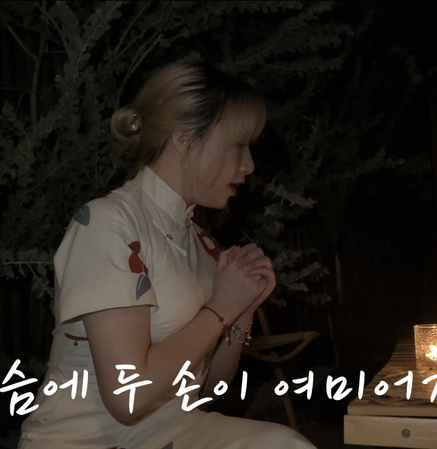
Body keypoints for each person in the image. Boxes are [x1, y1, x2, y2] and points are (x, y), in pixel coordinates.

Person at [18, 58, 316, 449]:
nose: (249, 165)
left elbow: (206, 393)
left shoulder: (202, 244)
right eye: (238, 145)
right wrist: (221, 308)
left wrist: (242, 310)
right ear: (185, 139)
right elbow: (128, 398)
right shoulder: (107, 224)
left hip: (170, 431)